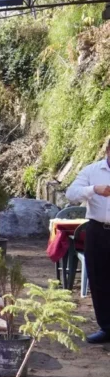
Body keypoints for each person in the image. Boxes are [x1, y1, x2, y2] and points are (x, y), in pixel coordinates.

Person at [66, 135, 110, 344]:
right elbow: (71, 194)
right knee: (99, 278)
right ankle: (106, 327)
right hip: (98, 230)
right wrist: (93, 190)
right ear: (108, 152)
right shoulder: (93, 171)